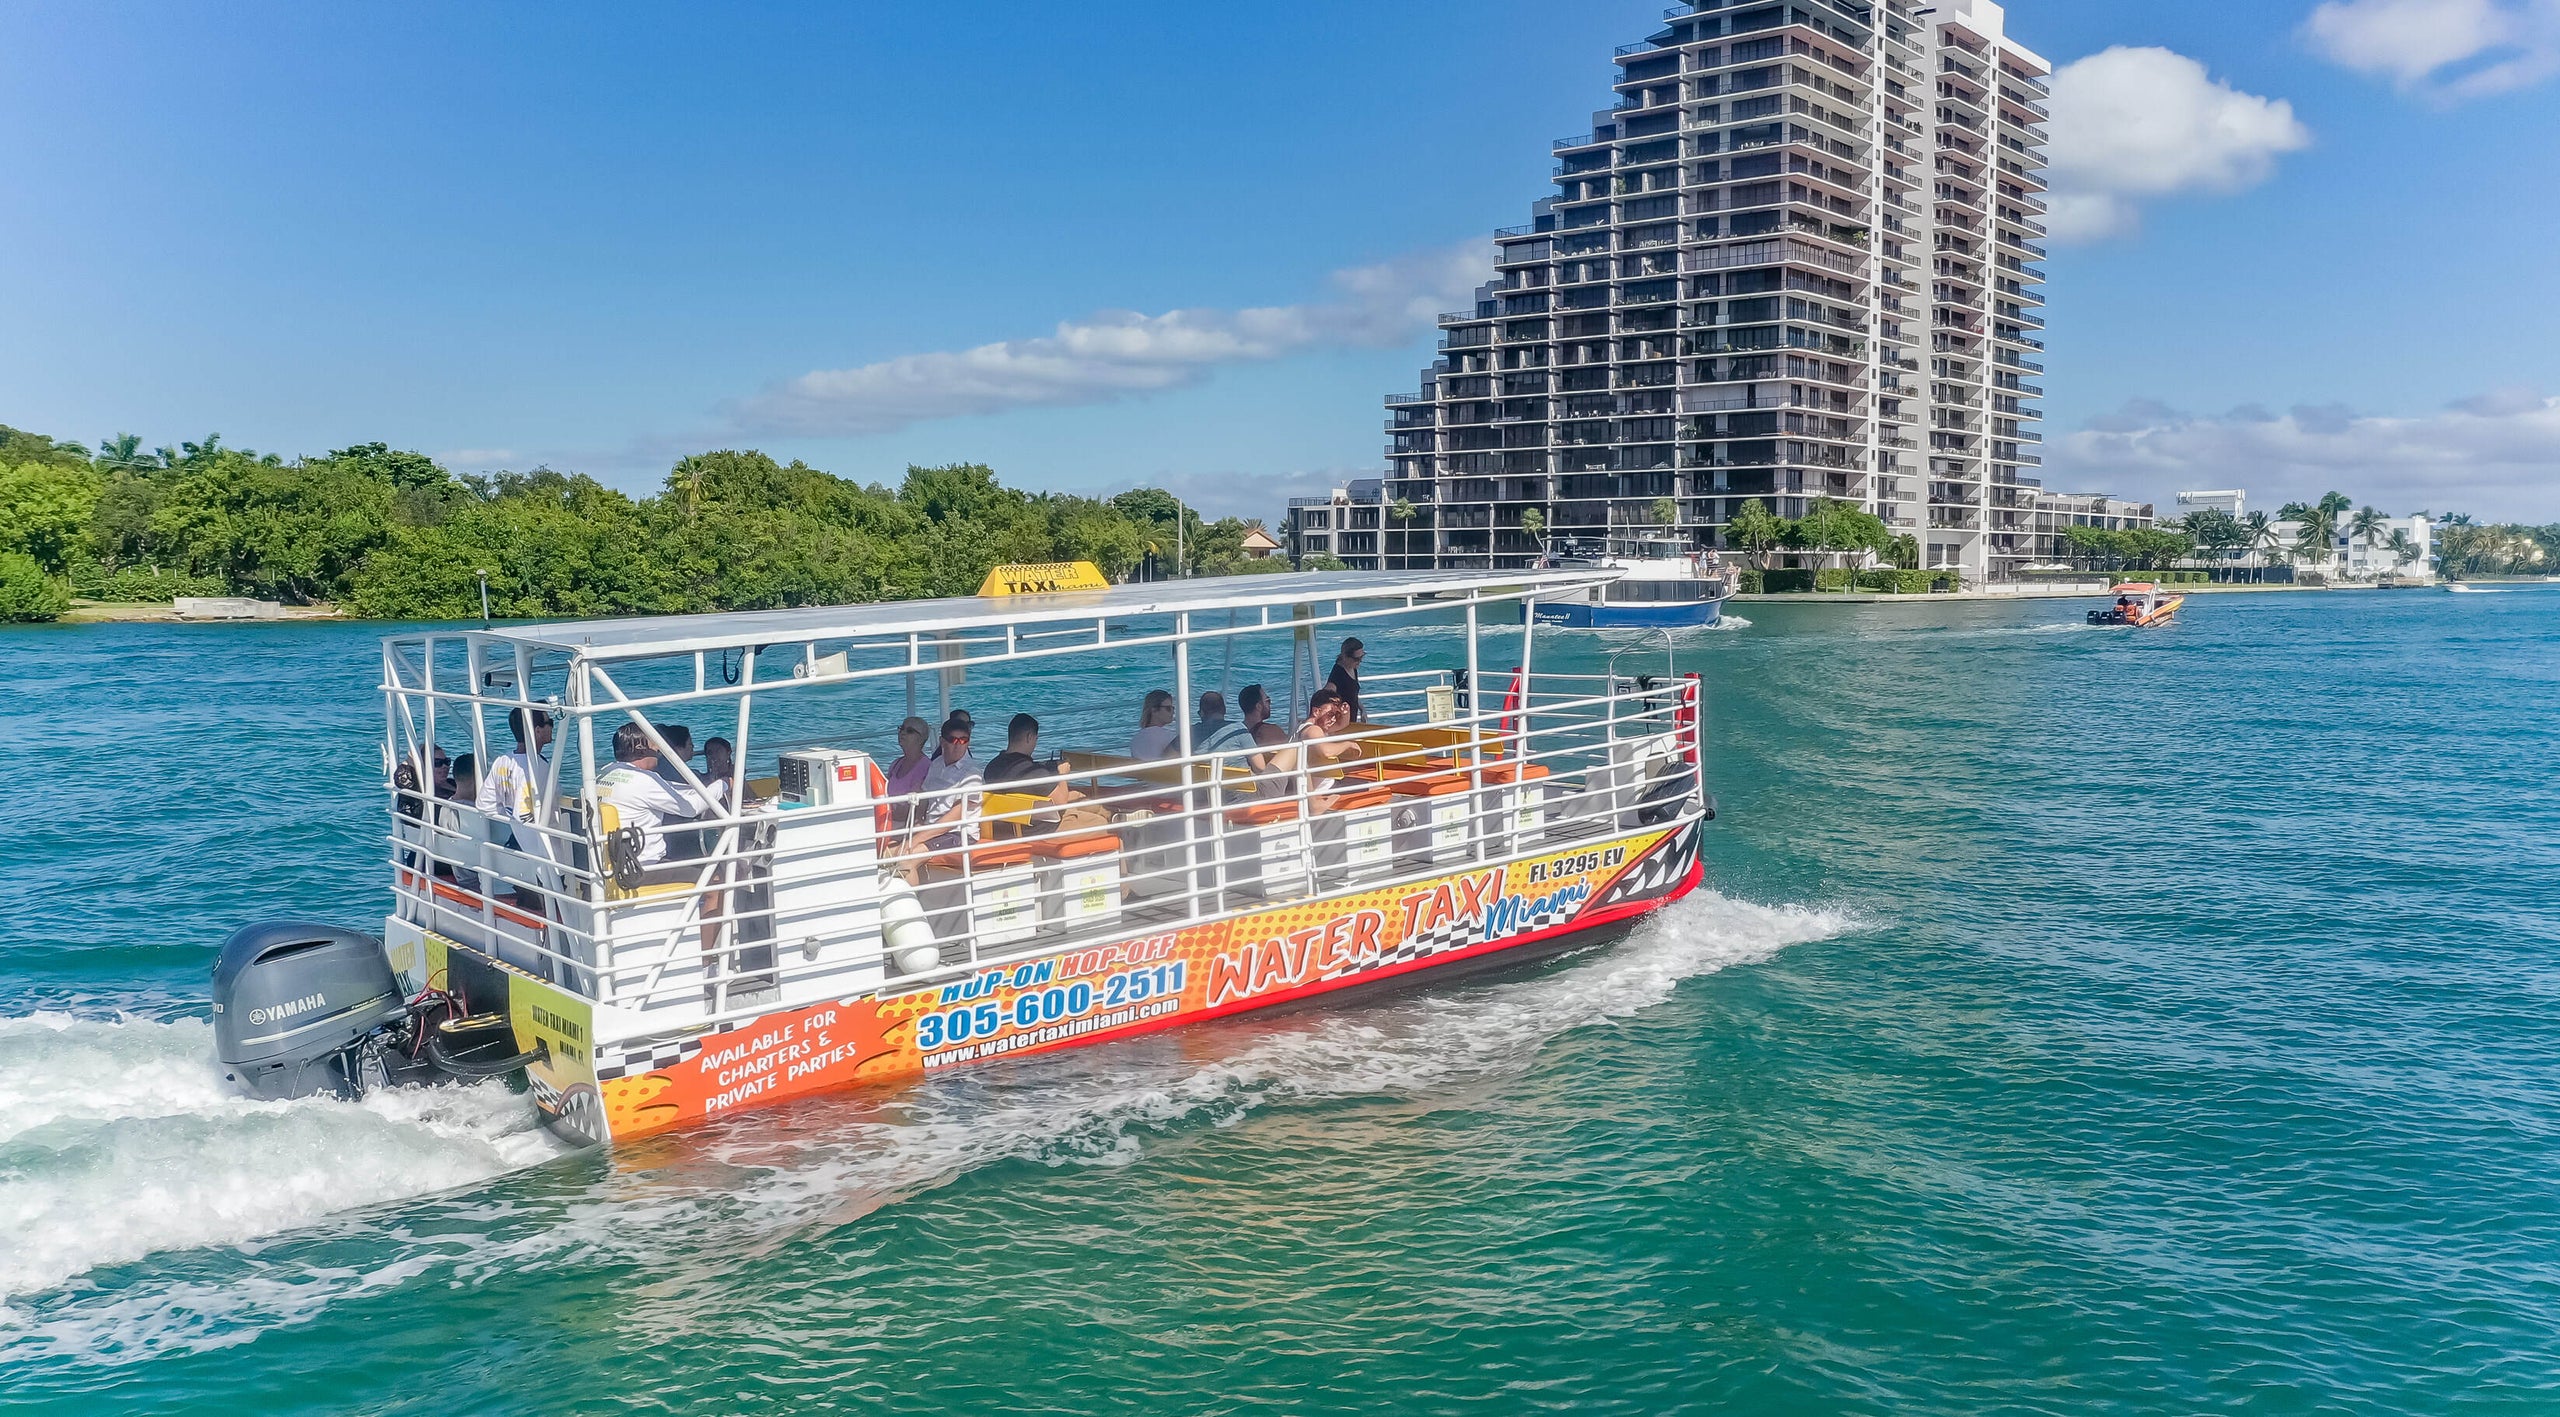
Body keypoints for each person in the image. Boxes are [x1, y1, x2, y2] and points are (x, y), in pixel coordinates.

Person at [597, 722, 715, 871]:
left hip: (613, 863)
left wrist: (701, 787)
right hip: (642, 867)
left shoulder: (607, 772)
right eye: (656, 749)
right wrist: (723, 783)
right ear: (642, 750)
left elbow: (665, 789)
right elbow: (692, 808)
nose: (659, 753)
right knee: (713, 878)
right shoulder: (643, 779)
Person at [897, 715, 983, 880]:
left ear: (969, 742)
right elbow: (924, 801)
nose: (958, 745)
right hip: (933, 829)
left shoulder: (971, 773)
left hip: (959, 834)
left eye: (963, 740)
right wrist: (913, 828)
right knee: (889, 852)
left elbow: (956, 817)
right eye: (953, 740)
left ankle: (917, 905)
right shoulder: (936, 764)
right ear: (942, 741)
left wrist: (915, 840)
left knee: (905, 862)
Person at [435, 754, 484, 895]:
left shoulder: (445, 809)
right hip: (481, 883)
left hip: (464, 879)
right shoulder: (474, 817)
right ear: (477, 780)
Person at [883, 716, 933, 828]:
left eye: (909, 731)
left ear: (921, 739)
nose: (903, 733)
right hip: (889, 821)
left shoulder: (925, 767)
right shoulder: (896, 764)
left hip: (908, 826)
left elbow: (915, 809)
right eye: (901, 728)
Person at [1129, 690, 1178, 760]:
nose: (1173, 712)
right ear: (1154, 710)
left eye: (1173, 708)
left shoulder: (1136, 739)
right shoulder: (1166, 736)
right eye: (1168, 708)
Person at [1327, 638, 1366, 723]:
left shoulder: (1353, 668)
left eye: (1361, 657)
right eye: (1356, 659)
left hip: (1351, 720)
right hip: (1341, 723)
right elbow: (1325, 695)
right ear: (1345, 656)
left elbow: (1353, 695)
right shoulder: (1338, 673)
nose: (1360, 661)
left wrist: (1362, 709)